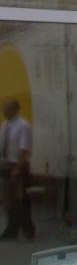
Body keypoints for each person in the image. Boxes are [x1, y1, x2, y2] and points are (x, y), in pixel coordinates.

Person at [0, 97, 34, 241]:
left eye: (8, 109)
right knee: (8, 200)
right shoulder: (5, 125)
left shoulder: (23, 126)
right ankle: (12, 229)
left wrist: (17, 168)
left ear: (16, 109)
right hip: (6, 165)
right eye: (4, 109)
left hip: (18, 165)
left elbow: (24, 149)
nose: (5, 112)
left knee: (20, 199)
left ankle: (28, 229)